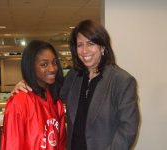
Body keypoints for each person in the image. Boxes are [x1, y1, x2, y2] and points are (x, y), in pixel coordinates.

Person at [11, 20, 140, 150]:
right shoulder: (75, 76)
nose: (85, 50)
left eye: (90, 43)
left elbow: (128, 129)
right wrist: (27, 82)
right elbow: (53, 92)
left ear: (103, 47)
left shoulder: (122, 81)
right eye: (80, 45)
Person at [1, 40, 66, 150]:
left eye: (54, 62)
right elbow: (12, 146)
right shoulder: (19, 103)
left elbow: (61, 144)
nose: (52, 68)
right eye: (44, 64)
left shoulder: (56, 102)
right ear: (31, 67)